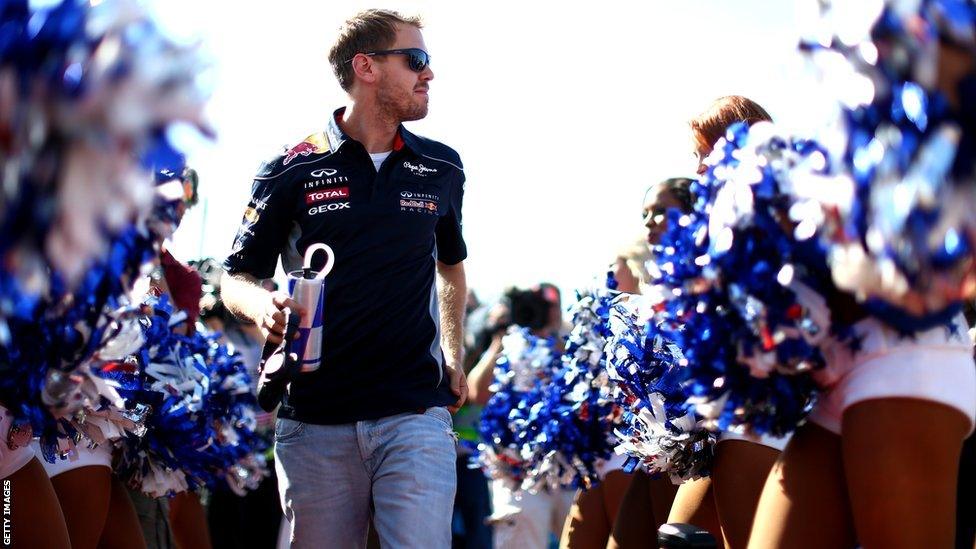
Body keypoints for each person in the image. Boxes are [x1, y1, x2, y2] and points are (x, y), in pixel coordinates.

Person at [220, 9, 468, 548]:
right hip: (315, 421)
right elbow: (234, 277)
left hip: (415, 414)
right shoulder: (290, 168)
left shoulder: (444, 168)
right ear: (367, 67)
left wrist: (455, 353)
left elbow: (450, 267)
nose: (429, 74)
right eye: (417, 60)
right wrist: (263, 308)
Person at [467, 284, 573, 549]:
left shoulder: (570, 345)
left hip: (568, 469)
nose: (537, 313)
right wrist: (499, 338)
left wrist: (554, 336)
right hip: (517, 472)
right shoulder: (507, 347)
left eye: (548, 305)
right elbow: (476, 392)